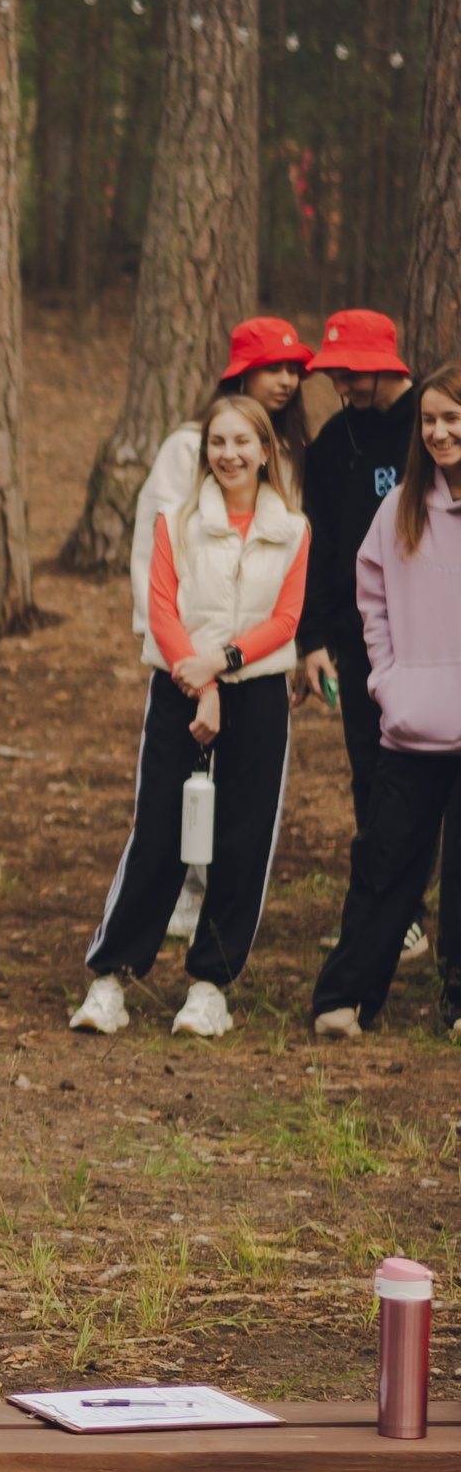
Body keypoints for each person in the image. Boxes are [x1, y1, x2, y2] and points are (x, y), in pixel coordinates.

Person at [76, 398, 307, 1038]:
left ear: (266, 451)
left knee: (242, 839)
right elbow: (161, 609)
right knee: (158, 832)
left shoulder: (292, 529)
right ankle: (111, 978)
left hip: (256, 693)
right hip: (180, 687)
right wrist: (200, 683)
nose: (228, 454)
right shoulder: (176, 522)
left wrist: (222, 666)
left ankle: (210, 987)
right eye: (217, 442)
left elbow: (286, 620)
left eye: (242, 442)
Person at [127, 317, 312, 942]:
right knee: (171, 800)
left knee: (242, 806)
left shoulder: (289, 451)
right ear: (240, 373)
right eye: (272, 368)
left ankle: (218, 935)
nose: (286, 380)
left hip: (251, 663)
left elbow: (283, 580)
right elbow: (157, 556)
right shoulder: (187, 447)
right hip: (185, 659)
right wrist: (181, 660)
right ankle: (173, 901)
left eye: (293, 369)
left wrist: (270, 655)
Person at [310, 369, 461, 1039]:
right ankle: (345, 997)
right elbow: (369, 595)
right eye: (430, 420)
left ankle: (458, 1000)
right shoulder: (399, 506)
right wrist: (388, 678)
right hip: (413, 720)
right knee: (385, 858)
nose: (439, 432)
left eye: (453, 418)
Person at [297, 309, 439, 970]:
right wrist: (313, 638)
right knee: (372, 774)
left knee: (433, 779)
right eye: (335, 374)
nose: (342, 385)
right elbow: (322, 543)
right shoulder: (333, 443)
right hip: (359, 641)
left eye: (352, 372)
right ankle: (397, 918)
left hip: (434, 641)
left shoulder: (430, 429)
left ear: (385, 365)